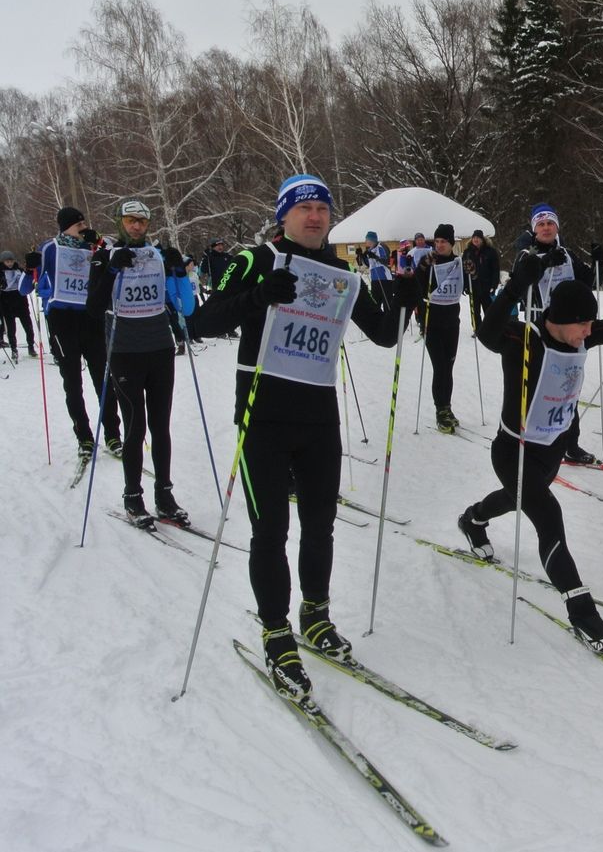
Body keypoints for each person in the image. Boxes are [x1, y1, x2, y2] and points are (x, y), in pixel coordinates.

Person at [188, 173, 420, 702]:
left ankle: (314, 614)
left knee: (320, 527)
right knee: (270, 531)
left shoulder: (342, 271)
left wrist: (404, 297)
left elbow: (384, 335)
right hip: (263, 417)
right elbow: (200, 321)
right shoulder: (256, 260)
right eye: (304, 208)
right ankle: (276, 632)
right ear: (284, 215)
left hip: (318, 418)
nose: (315, 216)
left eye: (322, 207)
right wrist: (256, 297)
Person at [457, 248, 603, 655]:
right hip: (514, 449)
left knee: (518, 499)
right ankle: (581, 609)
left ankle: (473, 518)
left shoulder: (582, 332)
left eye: (589, 323)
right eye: (581, 324)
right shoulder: (523, 338)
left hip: (551, 450)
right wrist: (516, 285)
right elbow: (486, 333)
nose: (588, 331)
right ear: (560, 320)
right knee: (548, 515)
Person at [85, 200, 196, 525]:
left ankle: (164, 494)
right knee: (136, 427)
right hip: (124, 351)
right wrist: (111, 270)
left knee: (162, 426)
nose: (137, 227)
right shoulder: (105, 256)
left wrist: (177, 272)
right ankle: (133, 496)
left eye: (142, 222)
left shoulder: (157, 256)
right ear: (119, 222)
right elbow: (93, 309)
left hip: (160, 348)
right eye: (131, 221)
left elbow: (184, 307)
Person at [509, 202, 598, 465]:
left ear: (557, 227)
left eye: (550, 223)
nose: (546, 228)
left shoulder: (568, 254)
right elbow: (517, 282)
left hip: (568, 331)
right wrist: (544, 261)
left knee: (568, 389)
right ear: (534, 229)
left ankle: (570, 443)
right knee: (539, 387)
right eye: (541, 224)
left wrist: (598, 262)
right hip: (540, 330)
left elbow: (588, 281)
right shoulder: (527, 254)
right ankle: (533, 440)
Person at [37, 207, 123, 459]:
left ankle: (113, 435)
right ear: (65, 227)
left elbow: (115, 255)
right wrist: (36, 276)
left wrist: (97, 242)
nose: (83, 227)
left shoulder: (94, 245)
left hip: (91, 318)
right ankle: (84, 437)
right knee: (72, 383)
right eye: (78, 224)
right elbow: (31, 286)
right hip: (62, 321)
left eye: (84, 222)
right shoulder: (50, 248)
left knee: (103, 379)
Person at [416, 223, 464, 433]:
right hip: (431, 323)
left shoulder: (457, 263)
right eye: (436, 241)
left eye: (443, 241)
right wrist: (422, 267)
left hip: (452, 322)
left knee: (449, 367)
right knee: (440, 367)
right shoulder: (428, 261)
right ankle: (440, 410)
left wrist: (472, 271)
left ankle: (447, 407)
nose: (439, 245)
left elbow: (472, 285)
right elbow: (416, 285)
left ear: (451, 243)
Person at [0, 251, 37, 358]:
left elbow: (26, 281)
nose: (10, 263)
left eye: (11, 260)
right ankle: (14, 349)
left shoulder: (19, 270)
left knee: (28, 326)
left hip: (20, 300)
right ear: (3, 261)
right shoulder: (1, 271)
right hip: (7, 302)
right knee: (11, 329)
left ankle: (31, 346)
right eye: (7, 261)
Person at [462, 229, 500, 324]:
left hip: (486, 286)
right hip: (473, 286)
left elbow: (495, 269)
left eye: (478, 238)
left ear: (482, 239)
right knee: (475, 311)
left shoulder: (490, 252)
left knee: (488, 310)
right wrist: (465, 285)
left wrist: (494, 284)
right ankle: (477, 328)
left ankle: (488, 328)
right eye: (474, 238)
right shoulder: (467, 252)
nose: (476, 240)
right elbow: (464, 270)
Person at [363, 231, 394, 308]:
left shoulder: (381, 246)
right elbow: (369, 264)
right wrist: (362, 256)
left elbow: (386, 261)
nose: (366, 241)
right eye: (366, 240)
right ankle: (378, 319)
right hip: (375, 280)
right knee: (376, 304)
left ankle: (389, 319)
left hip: (384, 279)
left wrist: (375, 256)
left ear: (373, 240)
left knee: (387, 304)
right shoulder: (369, 250)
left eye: (367, 240)